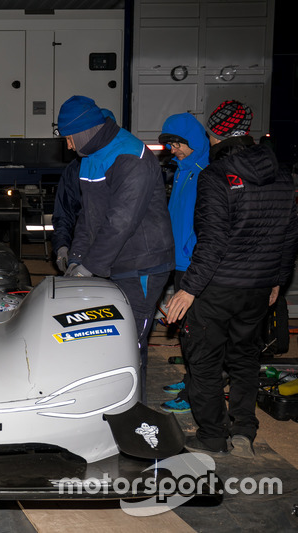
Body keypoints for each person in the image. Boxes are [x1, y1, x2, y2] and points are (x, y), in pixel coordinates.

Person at [166, 100, 298, 457]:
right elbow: (289, 236)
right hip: (257, 289)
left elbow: (212, 241)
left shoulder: (216, 175)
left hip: (216, 289)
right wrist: (276, 281)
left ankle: (212, 436)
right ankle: (243, 429)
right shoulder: (283, 175)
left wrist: (189, 290)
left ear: (214, 133)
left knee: (205, 362)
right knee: (245, 359)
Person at [57, 95, 175, 402]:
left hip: (143, 264)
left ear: (83, 131)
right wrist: (77, 258)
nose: (68, 146)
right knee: (103, 337)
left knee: (130, 342)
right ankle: (105, 400)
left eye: (69, 138)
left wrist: (90, 267)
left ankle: (134, 410)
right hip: (111, 260)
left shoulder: (131, 157)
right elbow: (89, 216)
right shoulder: (90, 157)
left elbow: (120, 221)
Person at [156, 113, 211, 415]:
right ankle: (191, 379)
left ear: (194, 141)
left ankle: (194, 393)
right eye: (170, 145)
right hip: (178, 261)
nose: (173, 150)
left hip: (193, 265)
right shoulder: (181, 171)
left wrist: (190, 251)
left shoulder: (205, 173)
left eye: (178, 144)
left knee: (197, 333)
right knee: (186, 330)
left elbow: (207, 225)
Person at [52, 109, 115, 272]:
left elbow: (120, 223)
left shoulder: (122, 167)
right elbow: (65, 213)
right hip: (84, 248)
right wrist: (62, 246)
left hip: (118, 256)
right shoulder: (74, 171)